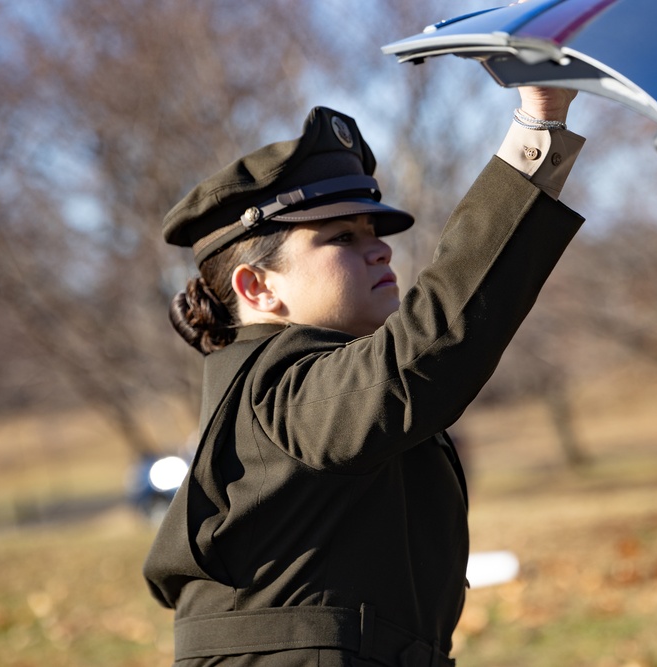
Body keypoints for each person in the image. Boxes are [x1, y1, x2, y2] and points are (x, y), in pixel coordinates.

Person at [143, 85, 585, 666]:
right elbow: (427, 349)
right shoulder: (280, 387)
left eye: (375, 233)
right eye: (342, 237)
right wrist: (539, 120)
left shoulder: (290, 380)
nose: (380, 251)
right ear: (258, 286)